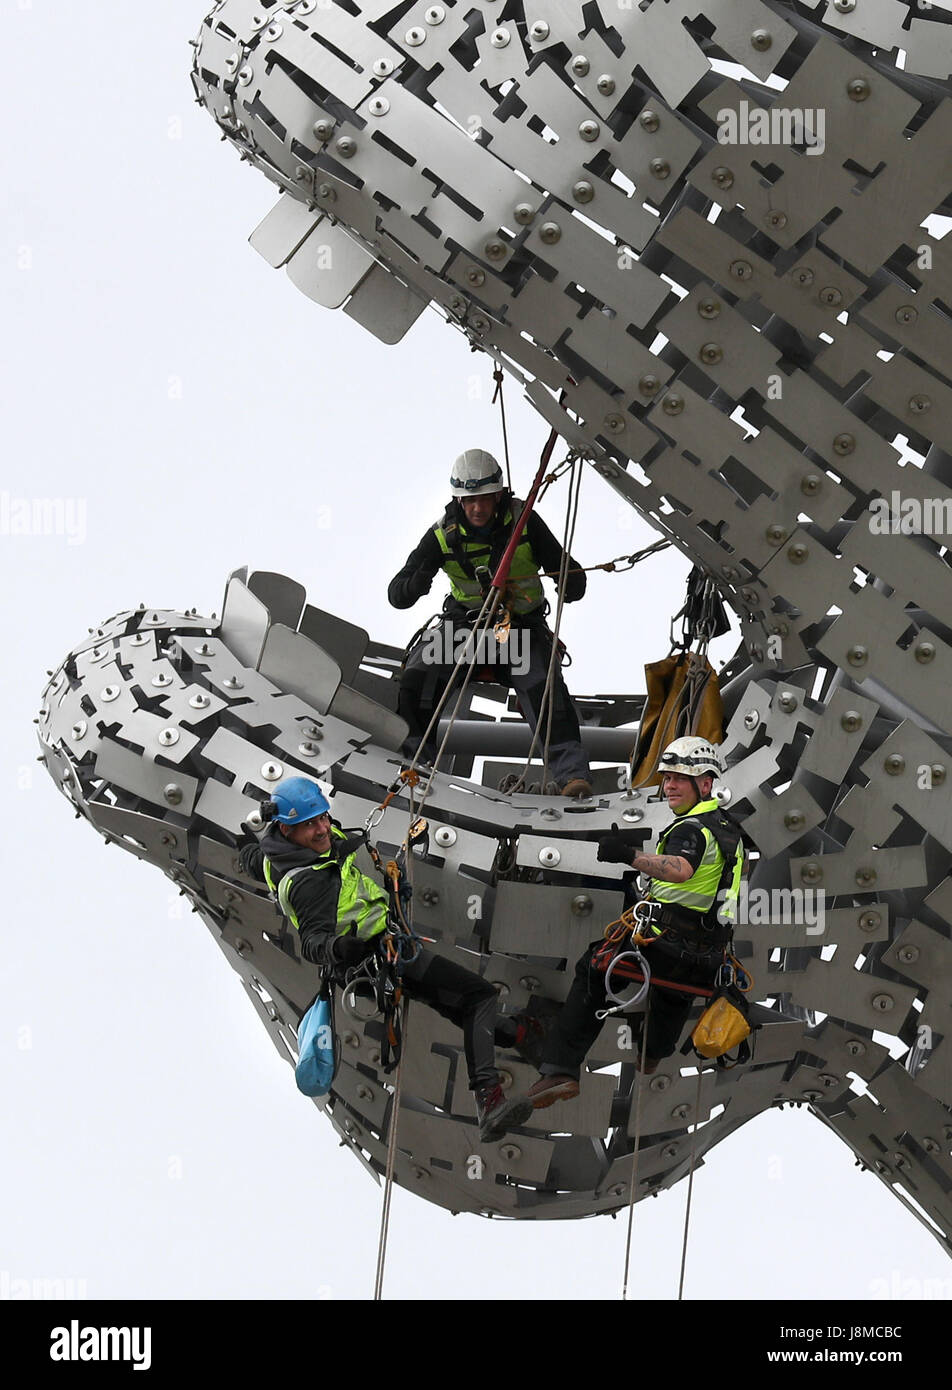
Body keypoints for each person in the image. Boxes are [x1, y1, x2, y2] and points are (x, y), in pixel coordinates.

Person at [239, 776, 541, 1142]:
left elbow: (255, 861)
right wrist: (339, 948)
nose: (321, 829)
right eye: (310, 825)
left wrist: (244, 851)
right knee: (479, 996)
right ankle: (490, 1100)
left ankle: (527, 1036)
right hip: (378, 959)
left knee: (463, 1006)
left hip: (383, 953)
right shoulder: (308, 884)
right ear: (286, 828)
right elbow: (312, 941)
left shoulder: (277, 851)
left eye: (322, 818)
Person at [515, 737, 746, 1109]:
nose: (669, 785)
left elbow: (681, 870)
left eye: (679, 778)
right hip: (709, 959)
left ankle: (559, 1069)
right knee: (674, 992)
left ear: (706, 784)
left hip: (666, 944)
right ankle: (652, 1053)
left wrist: (628, 855)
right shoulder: (730, 833)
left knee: (594, 967)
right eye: (668, 777)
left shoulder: (693, 829)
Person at [388, 448, 593, 797]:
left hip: (520, 631)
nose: (477, 508)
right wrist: (416, 582)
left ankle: (571, 776)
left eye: (484, 499)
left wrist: (569, 581)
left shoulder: (524, 523)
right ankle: (414, 766)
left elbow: (568, 571)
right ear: (457, 499)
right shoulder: (442, 536)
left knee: (543, 689)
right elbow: (397, 594)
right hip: (463, 631)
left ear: (498, 494)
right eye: (469, 501)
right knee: (420, 675)